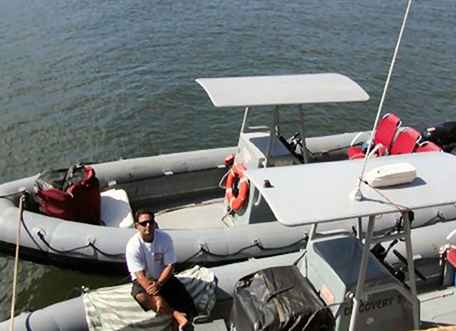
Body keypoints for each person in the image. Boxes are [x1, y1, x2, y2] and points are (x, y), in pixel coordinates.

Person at [126, 209, 196, 330]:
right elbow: (140, 275)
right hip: (144, 281)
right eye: (143, 223)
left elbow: (170, 265)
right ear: (136, 226)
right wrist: (156, 294)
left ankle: (179, 322)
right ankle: (176, 315)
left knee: (183, 300)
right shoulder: (133, 246)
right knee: (141, 296)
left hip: (162, 278)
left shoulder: (164, 238)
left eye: (150, 222)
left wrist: (159, 283)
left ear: (154, 223)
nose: (148, 225)